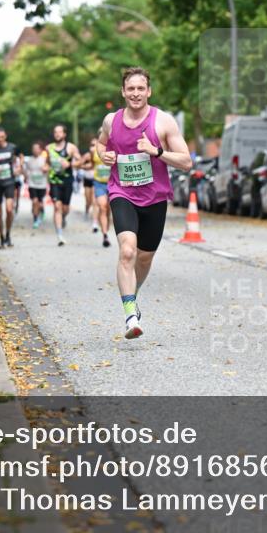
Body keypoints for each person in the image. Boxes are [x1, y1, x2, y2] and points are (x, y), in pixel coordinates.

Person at [97, 67, 192, 339]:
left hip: (155, 198)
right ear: (123, 92)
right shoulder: (110, 120)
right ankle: (130, 316)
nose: (135, 93)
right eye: (131, 89)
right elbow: (100, 144)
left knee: (144, 256)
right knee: (127, 251)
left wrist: (156, 151)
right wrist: (103, 155)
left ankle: (133, 295)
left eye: (141, 89)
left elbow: (186, 162)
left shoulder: (163, 122)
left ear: (148, 91)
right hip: (122, 193)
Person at [46, 124, 80, 246]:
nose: (57, 134)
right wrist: (45, 167)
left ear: (64, 134)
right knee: (57, 207)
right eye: (55, 132)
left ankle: (64, 217)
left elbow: (80, 161)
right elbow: (47, 163)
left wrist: (70, 165)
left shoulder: (71, 148)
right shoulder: (48, 148)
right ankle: (60, 235)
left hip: (67, 181)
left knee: (65, 208)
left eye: (60, 132)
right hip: (54, 181)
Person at [90, 135, 113, 248]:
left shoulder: (114, 148)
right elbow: (90, 164)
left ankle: (105, 228)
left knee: (108, 209)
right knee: (102, 207)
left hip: (113, 183)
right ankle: (105, 235)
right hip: (99, 183)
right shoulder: (94, 151)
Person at [25, 141, 50, 228]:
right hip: (32, 184)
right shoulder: (29, 160)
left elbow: (49, 168)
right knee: (34, 201)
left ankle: (42, 210)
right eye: (33, 148)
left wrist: (46, 169)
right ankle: (35, 219)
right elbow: (25, 171)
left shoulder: (44, 159)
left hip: (42, 185)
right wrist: (25, 176)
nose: (35, 150)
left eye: (37, 148)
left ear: (40, 150)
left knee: (40, 203)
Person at [80, 139, 98, 230]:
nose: (93, 147)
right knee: (88, 200)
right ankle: (87, 211)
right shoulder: (87, 155)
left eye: (95, 144)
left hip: (97, 180)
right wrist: (86, 167)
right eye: (92, 145)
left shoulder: (100, 155)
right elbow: (79, 164)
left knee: (95, 200)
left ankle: (95, 218)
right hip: (88, 179)